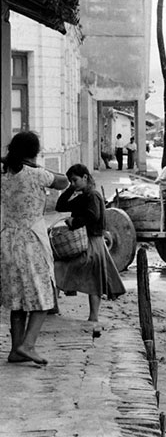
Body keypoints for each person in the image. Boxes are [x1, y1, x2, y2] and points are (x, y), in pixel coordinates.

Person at [1, 131, 69, 365]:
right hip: (31, 240)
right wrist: (34, 164)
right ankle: (28, 345)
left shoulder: (4, 173)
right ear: (34, 152)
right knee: (43, 295)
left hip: (8, 240)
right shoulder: (37, 174)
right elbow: (63, 181)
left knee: (17, 299)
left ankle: (15, 349)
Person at [55, 164, 126, 324]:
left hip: (92, 242)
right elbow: (60, 206)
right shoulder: (83, 195)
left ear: (85, 177)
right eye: (71, 181)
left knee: (69, 271)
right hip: (86, 242)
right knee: (90, 278)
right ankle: (88, 315)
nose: (72, 183)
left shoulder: (92, 196)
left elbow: (92, 216)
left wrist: (75, 222)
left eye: (75, 180)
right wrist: (71, 188)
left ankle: (93, 316)